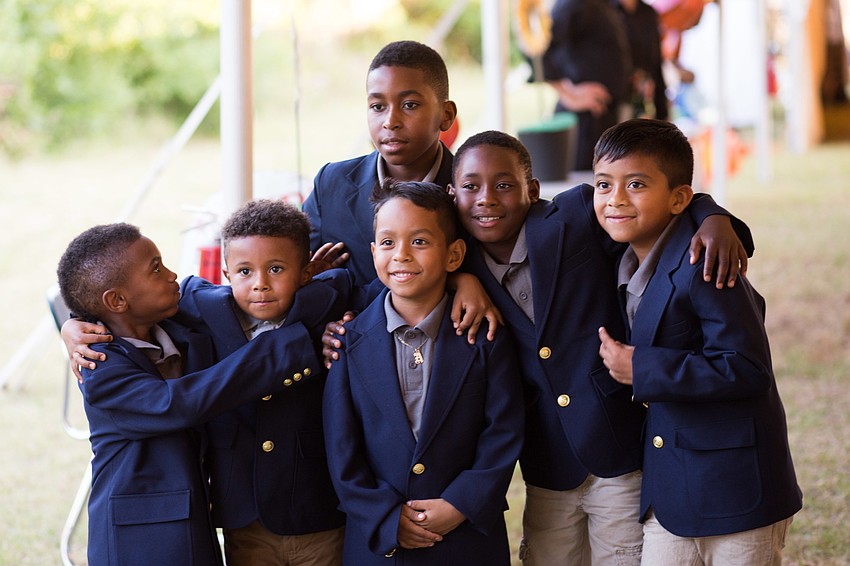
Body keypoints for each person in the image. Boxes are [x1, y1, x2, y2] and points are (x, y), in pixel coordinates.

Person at [447, 129, 753, 565]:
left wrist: (714, 217)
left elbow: (656, 204)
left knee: (623, 556)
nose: (486, 199)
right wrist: (461, 277)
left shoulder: (575, 214)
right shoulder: (453, 264)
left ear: (532, 191)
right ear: (452, 193)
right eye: (471, 186)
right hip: (545, 461)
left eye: (503, 184)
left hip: (618, 445)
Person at [594, 119, 802, 565]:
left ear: (678, 199)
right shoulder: (622, 251)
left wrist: (642, 369)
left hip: (735, 487)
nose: (616, 199)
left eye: (635, 185)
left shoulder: (706, 262)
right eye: (603, 185)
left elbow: (746, 367)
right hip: (672, 490)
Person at [56, 223, 323, 566]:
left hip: (195, 522)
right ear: (118, 300)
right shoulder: (100, 367)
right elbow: (178, 402)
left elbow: (235, 295)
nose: (172, 275)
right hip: (139, 540)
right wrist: (291, 346)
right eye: (155, 269)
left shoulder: (176, 321)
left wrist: (306, 278)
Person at [323, 180, 524, 565]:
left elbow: (504, 430)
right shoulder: (349, 341)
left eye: (419, 242)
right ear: (373, 251)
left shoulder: (485, 337)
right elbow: (340, 449)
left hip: (467, 542)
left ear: (454, 256)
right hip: (380, 545)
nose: (401, 255)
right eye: (387, 243)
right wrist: (384, 517)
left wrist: (461, 504)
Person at [172, 200, 369, 565]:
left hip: (318, 508)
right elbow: (136, 301)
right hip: (244, 516)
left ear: (305, 271)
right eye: (244, 271)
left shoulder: (329, 301)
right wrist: (75, 324)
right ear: (227, 273)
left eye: (276, 269)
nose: (260, 284)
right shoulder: (203, 308)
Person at [303, 40, 458, 286]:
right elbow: (290, 273)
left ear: (446, 115)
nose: (390, 121)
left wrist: (465, 281)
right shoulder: (331, 185)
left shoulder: (470, 190)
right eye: (377, 106)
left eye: (409, 105)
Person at [540, 0, 632, 171]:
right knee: (583, 191)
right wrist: (568, 94)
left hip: (606, 116)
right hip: (583, 120)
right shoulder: (575, 3)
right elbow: (538, 48)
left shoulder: (606, 6)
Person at [617, 0, 669, 120]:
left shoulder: (649, 13)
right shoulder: (607, 10)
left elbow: (656, 61)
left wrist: (663, 111)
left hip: (646, 96)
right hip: (618, 100)